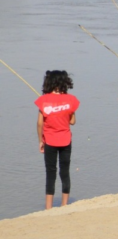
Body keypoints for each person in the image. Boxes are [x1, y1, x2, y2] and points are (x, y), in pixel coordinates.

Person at [35, 70, 80, 209]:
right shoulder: (71, 99)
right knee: (64, 171)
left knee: (50, 172)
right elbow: (72, 121)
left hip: (50, 140)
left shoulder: (43, 100)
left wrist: (40, 141)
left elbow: (39, 123)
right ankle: (64, 204)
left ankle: (48, 207)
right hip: (66, 140)